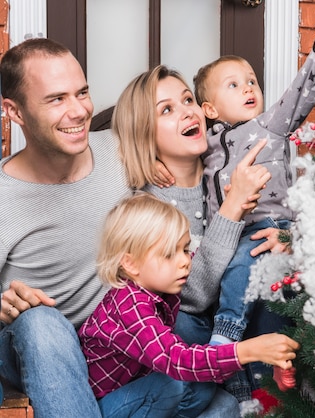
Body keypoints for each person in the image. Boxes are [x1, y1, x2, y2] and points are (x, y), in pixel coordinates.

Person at [0, 38, 268, 417]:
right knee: (42, 323)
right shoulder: (3, 197)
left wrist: (279, 228)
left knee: (225, 401)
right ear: (14, 111)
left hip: (120, 337)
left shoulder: (118, 150)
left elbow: (183, 139)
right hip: (35, 344)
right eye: (56, 99)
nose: (78, 111)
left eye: (83, 93)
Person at [113, 64, 292, 412]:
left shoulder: (235, 163)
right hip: (194, 346)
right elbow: (189, 299)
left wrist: (287, 237)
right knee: (179, 319)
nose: (187, 112)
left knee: (270, 279)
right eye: (166, 110)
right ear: (143, 132)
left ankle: (274, 401)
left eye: (187, 100)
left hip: (257, 329)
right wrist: (234, 206)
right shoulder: (147, 205)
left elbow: (282, 210)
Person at [192, 11, 315, 401]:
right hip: (224, 236)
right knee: (246, 292)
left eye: (252, 82)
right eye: (234, 84)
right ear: (209, 109)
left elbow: (300, 95)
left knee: (247, 269)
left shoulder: (270, 126)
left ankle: (226, 336)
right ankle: (243, 385)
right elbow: (170, 151)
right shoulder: (203, 147)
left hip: (268, 227)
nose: (249, 89)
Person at [78, 192, 299, 418]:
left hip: (143, 390)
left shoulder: (158, 285)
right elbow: (175, 360)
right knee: (176, 383)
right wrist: (247, 351)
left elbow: (208, 258)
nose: (185, 261)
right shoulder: (128, 306)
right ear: (131, 264)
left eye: (184, 249)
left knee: (214, 395)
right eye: (168, 254)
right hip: (110, 405)